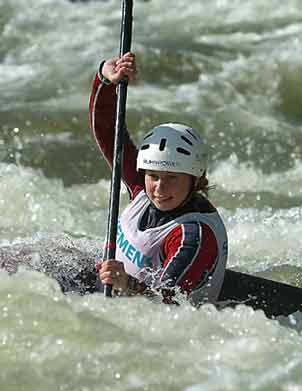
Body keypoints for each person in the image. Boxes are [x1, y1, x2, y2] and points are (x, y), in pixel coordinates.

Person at [89, 52, 228, 305]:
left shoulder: (194, 235)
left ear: (194, 179)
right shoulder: (143, 189)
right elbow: (108, 131)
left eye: (172, 178)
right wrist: (106, 79)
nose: (160, 188)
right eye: (153, 176)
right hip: (109, 297)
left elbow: (169, 303)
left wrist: (127, 283)